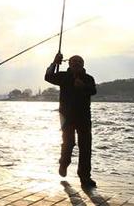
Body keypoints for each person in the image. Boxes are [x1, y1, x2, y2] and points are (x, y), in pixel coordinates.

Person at [45, 53, 97, 188]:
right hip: (66, 116)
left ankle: (85, 177)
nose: (77, 65)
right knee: (68, 143)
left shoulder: (88, 78)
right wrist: (54, 62)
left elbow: (93, 91)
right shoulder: (63, 76)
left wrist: (83, 87)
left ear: (83, 65)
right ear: (69, 64)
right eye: (74, 63)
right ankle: (64, 163)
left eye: (80, 62)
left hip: (84, 117)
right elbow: (48, 76)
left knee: (85, 147)